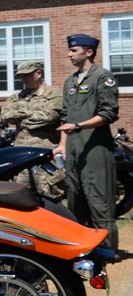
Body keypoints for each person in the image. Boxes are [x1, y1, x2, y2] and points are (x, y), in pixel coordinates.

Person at [56, 34, 119, 250]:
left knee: (99, 198)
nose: (69, 54)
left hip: (95, 148)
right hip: (73, 149)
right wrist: (63, 144)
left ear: (89, 52)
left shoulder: (103, 77)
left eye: (74, 50)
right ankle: (81, 247)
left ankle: (107, 250)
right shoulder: (70, 81)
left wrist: (79, 126)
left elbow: (108, 114)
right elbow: (65, 116)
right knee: (75, 198)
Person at [0, 60, 64, 199]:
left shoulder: (54, 94)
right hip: (21, 153)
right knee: (21, 194)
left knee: (48, 194)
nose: (24, 79)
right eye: (21, 76)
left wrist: (20, 117)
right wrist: (30, 115)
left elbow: (49, 116)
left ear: (38, 73)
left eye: (27, 75)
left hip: (45, 153)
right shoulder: (17, 96)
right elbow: (6, 115)